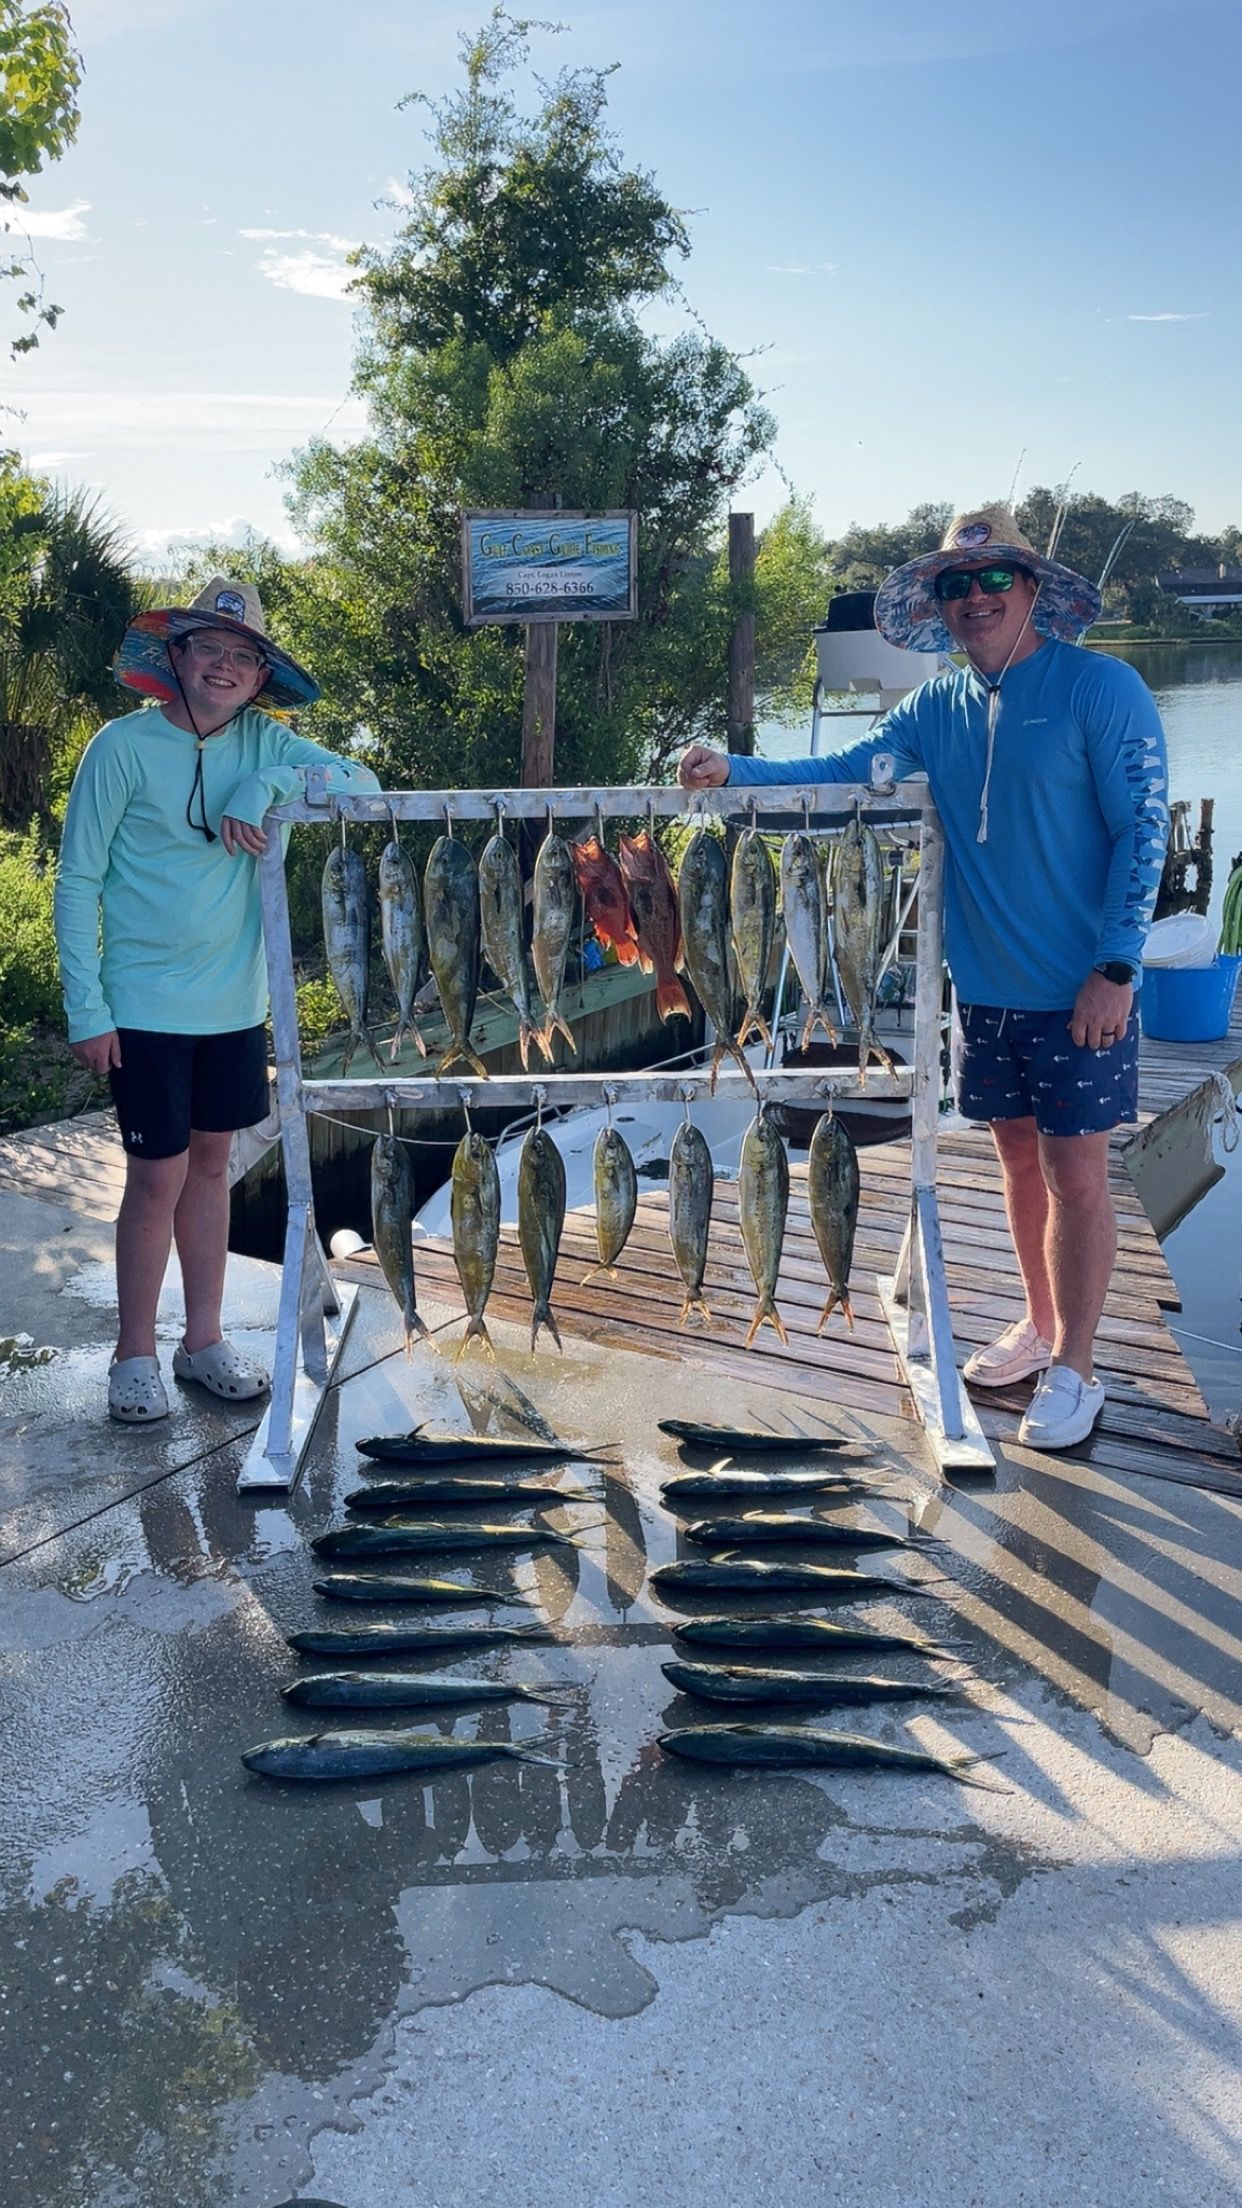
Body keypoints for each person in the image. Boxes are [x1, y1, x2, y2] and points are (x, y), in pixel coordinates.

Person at [679, 505, 1170, 1450]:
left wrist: (1116, 967)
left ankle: (1078, 1368)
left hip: (1081, 992)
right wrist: (733, 767)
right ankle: (1036, 1324)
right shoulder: (932, 709)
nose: (975, 599)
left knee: (1078, 1175)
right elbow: (847, 768)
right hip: (981, 993)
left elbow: (1141, 834)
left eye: (993, 580)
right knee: (1017, 1162)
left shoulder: (1102, 689)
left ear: (1033, 588)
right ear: (937, 605)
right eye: (956, 584)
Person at [55, 577, 380, 1425]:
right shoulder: (118, 748)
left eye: (244, 656)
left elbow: (367, 783)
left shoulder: (268, 745)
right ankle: (133, 1355)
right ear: (177, 657)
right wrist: (86, 1007)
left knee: (212, 1172)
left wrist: (264, 789)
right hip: (142, 1004)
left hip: (235, 1005)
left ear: (261, 674)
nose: (226, 666)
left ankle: (202, 1343)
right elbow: (78, 877)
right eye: (211, 649)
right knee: (153, 1179)